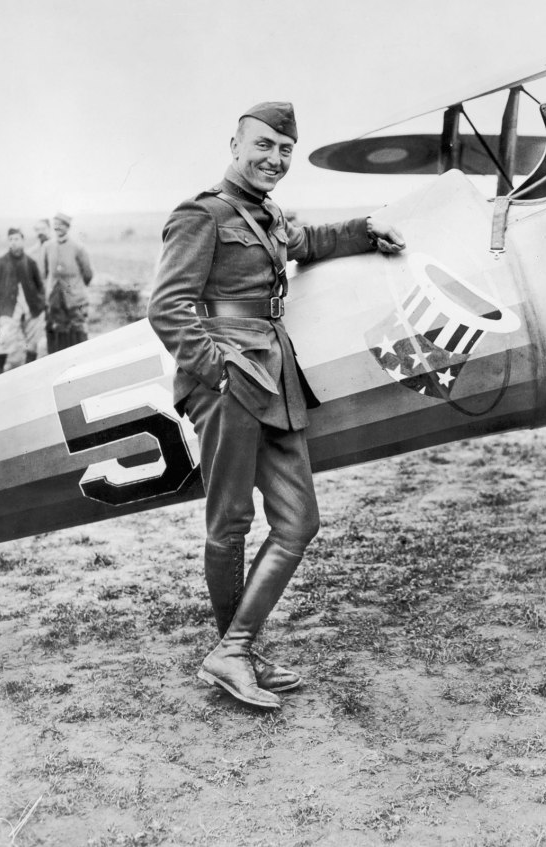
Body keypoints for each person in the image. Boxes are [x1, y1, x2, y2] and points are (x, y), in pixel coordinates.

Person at [148, 101, 405, 710]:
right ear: (235, 145)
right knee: (231, 520)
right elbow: (168, 306)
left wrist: (367, 228)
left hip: (275, 377)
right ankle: (233, 651)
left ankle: (233, 649)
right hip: (231, 379)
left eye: (285, 150)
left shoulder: (266, 214)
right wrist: (217, 370)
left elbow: (306, 239)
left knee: (298, 522)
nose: (275, 159)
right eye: (263, 145)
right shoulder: (201, 213)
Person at [0, 228, 46, 374]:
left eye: (16, 239)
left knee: (32, 342)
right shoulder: (0, 262)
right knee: (4, 339)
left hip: (31, 307)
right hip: (8, 307)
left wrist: (40, 301)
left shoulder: (30, 262)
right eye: (11, 239)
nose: (13, 242)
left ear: (23, 240)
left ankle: (29, 371)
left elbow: (40, 285)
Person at [44, 212, 93, 352]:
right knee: (59, 334)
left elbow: (88, 273)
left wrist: (76, 289)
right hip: (55, 300)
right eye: (55, 225)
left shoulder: (78, 247)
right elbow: (45, 273)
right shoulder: (48, 247)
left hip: (75, 300)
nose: (57, 228)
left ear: (67, 227)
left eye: (60, 225)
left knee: (79, 332)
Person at [28, 218, 51, 282]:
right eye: (38, 230)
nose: (40, 232)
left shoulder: (58, 249)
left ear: (49, 229)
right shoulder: (30, 253)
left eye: (43, 229)